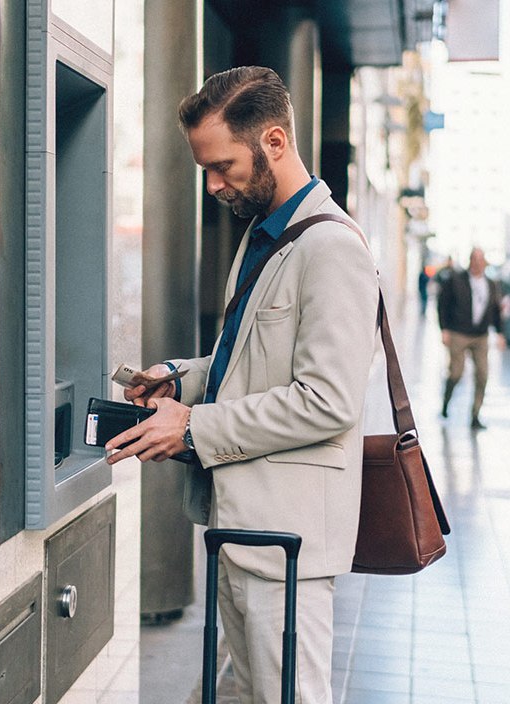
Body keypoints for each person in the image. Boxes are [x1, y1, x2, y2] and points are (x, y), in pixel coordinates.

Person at [105, 66, 379, 703]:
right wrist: (179, 379)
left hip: (288, 542)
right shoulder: (265, 236)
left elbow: (328, 401)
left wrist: (194, 426)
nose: (213, 183)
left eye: (223, 164)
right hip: (243, 527)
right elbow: (247, 362)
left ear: (275, 142)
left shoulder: (331, 248)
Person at [437, 247, 505, 429]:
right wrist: (444, 329)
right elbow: (443, 303)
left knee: (483, 374)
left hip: (481, 335)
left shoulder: (491, 283)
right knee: (456, 373)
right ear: (470, 261)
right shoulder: (456, 280)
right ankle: (446, 403)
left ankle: (475, 415)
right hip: (459, 332)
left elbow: (495, 309)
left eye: (481, 259)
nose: (478, 263)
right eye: (475, 259)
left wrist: (499, 333)